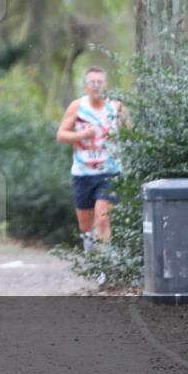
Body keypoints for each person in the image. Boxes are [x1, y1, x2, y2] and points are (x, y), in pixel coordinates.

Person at [56, 67, 128, 258]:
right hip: (83, 173)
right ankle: (91, 258)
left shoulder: (117, 107)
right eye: (92, 82)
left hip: (110, 172)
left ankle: (104, 267)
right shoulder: (77, 107)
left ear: (106, 85)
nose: (96, 86)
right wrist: (82, 134)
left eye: (100, 82)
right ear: (86, 86)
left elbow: (132, 135)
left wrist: (122, 138)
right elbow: (61, 135)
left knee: (103, 220)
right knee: (86, 225)